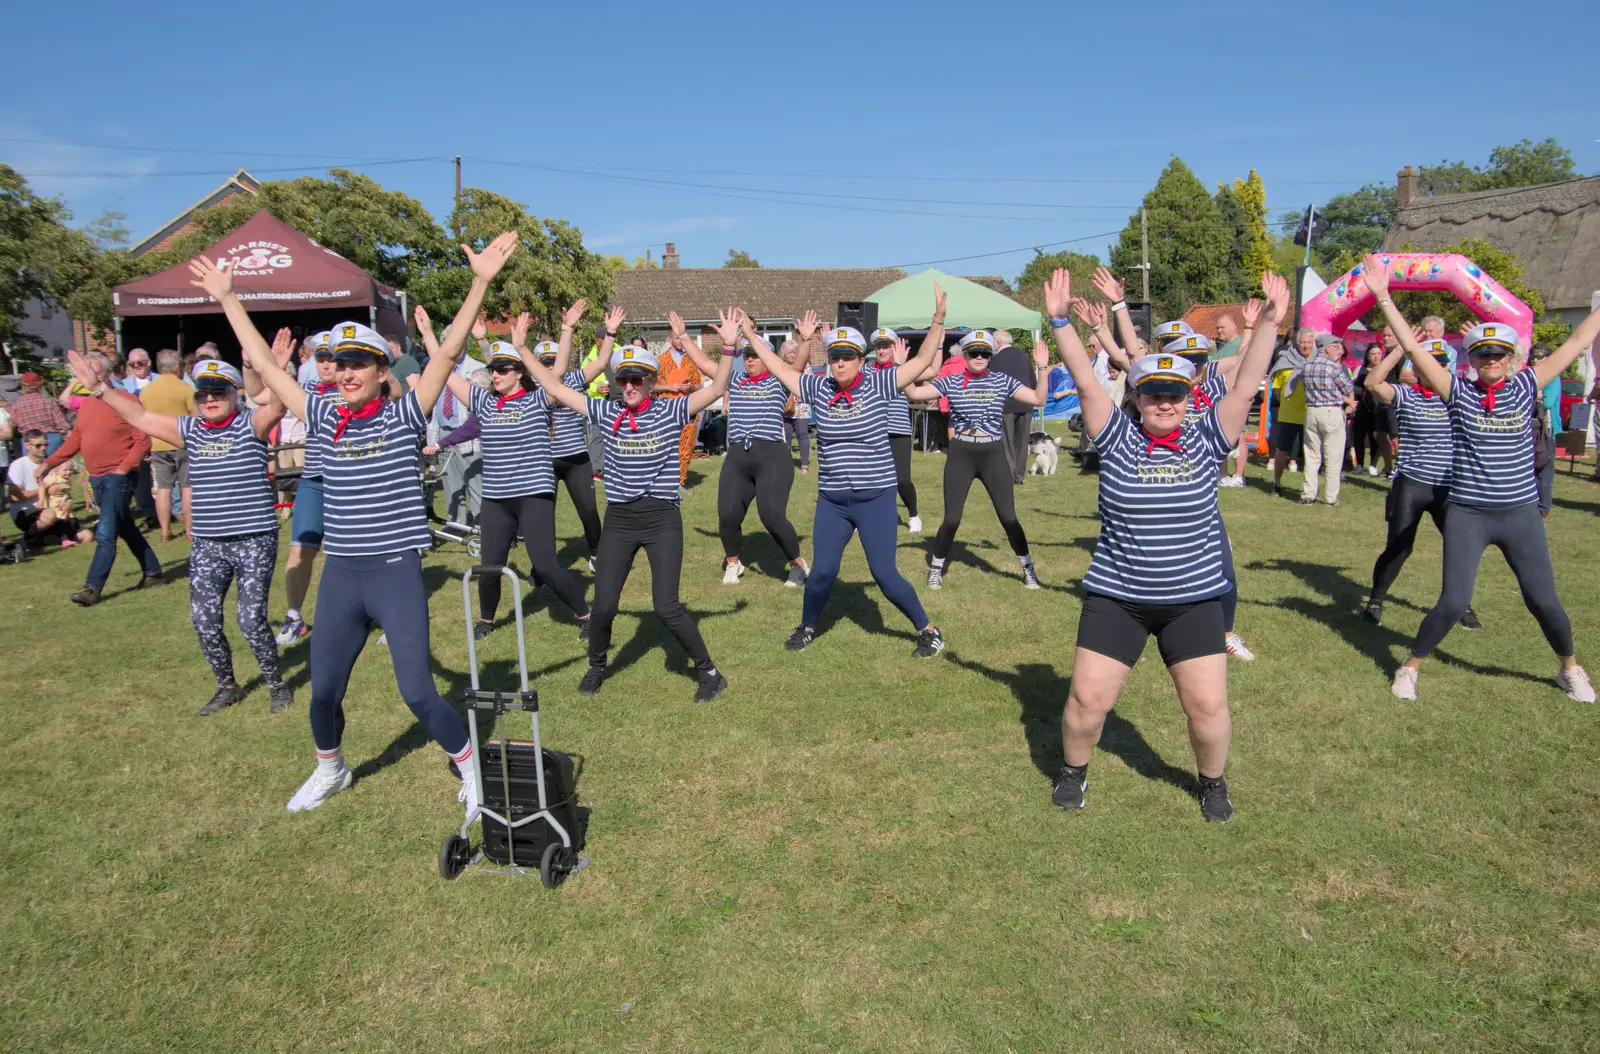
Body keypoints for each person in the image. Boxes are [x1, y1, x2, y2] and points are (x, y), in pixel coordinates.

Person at [198, 230, 522, 813]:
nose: (344, 373)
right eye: (337, 363)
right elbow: (273, 380)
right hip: (343, 573)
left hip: (394, 569)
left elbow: (446, 354)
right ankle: (332, 769)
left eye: (357, 364)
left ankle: (471, 769)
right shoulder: (322, 414)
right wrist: (228, 300)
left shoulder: (404, 415)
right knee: (324, 691)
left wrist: (479, 284)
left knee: (418, 691)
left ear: (379, 370)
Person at [1043, 265, 1289, 823]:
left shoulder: (1207, 435)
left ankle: (1212, 782)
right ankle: (1073, 771)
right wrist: (1059, 321)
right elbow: (1084, 381)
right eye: (1153, 392)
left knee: (1206, 707)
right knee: (1086, 704)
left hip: (1193, 598)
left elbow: (1248, 382)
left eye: (1174, 393)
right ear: (1137, 395)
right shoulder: (1116, 434)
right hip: (1119, 597)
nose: (1164, 403)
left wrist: (1270, 322)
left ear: (1189, 395)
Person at [1365, 256, 1600, 703]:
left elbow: (1576, 340)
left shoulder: (1527, 384)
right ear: (1471, 359)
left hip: (1519, 515)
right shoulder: (1458, 392)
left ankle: (1570, 669)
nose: (1491, 360)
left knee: (1543, 600)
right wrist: (1381, 296)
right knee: (1453, 601)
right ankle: (1410, 667)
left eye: (1498, 353)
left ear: (1511, 358)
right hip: (1469, 515)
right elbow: (1415, 352)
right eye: (1482, 353)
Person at [67, 348, 295, 715]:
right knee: (204, 620)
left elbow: (281, 407)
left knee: (251, 620)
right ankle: (227, 686)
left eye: (218, 392)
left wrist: (276, 370)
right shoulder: (190, 430)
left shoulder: (251, 423)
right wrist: (100, 389)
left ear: (235, 394)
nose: (209, 399)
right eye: (203, 393)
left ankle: (275, 684)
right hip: (207, 544)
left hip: (253, 540)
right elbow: (140, 416)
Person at [516, 329, 734, 704]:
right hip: (619, 520)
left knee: (665, 606)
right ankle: (598, 666)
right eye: (623, 379)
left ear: (650, 382)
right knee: (603, 607)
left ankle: (709, 672)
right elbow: (554, 385)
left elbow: (715, 390)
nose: (629, 386)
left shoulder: (670, 410)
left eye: (637, 379)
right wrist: (521, 348)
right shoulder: (605, 410)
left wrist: (729, 347)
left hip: (661, 518)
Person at [748, 299, 948, 658]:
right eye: (835, 356)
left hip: (876, 496)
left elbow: (920, 362)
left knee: (884, 573)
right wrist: (748, 333)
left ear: (861, 359)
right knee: (823, 571)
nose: (840, 363)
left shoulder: (879, 383)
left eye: (848, 356)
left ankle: (928, 630)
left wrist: (937, 321)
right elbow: (778, 367)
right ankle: (808, 626)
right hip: (833, 500)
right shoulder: (818, 389)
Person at [415, 307, 592, 642]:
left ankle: (585, 614)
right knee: (489, 565)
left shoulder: (539, 400)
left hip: (533, 495)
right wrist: (427, 336)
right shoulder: (482, 402)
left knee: (546, 564)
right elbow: (446, 374)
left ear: (519, 372)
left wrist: (566, 328)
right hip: (497, 497)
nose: (495, 374)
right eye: (492, 369)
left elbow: (556, 376)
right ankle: (486, 619)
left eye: (502, 368)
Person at [668, 309, 808, 588]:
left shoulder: (779, 380)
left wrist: (804, 339)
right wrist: (684, 336)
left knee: (772, 516)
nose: (751, 360)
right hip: (738, 456)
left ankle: (797, 564)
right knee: (728, 514)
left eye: (756, 355)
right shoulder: (735, 379)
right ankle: (734, 562)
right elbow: (707, 362)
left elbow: (798, 366)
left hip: (772, 456)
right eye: (748, 356)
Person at [902, 328, 1050, 590]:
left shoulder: (1003, 380)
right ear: (966, 356)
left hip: (993, 453)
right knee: (952, 519)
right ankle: (936, 568)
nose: (979, 357)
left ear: (991, 356)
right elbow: (914, 394)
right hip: (962, 453)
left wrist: (1043, 368)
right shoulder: (952, 381)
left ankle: (1028, 569)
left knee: (1008, 517)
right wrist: (902, 367)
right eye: (974, 353)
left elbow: (1038, 399)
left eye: (984, 353)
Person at [1360, 336, 1480, 630]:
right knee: (1399, 547)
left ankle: (1461, 604)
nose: (1433, 370)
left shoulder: (1458, 396)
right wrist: (1400, 349)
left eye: (1439, 365)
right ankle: (1375, 598)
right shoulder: (1406, 394)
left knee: (1458, 547)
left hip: (1449, 487)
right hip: (1412, 484)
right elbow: (1373, 383)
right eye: (1427, 365)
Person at [37, 352, 165, 606]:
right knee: (125, 525)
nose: (87, 377)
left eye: (93, 371)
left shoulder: (125, 401)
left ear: (107, 374)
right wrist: (48, 463)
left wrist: (124, 467)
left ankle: (92, 588)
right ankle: (153, 572)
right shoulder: (87, 405)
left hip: (119, 477)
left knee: (105, 531)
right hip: (97, 477)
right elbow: (75, 439)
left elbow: (143, 440)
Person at [541, 303, 618, 568]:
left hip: (575, 458)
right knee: (541, 516)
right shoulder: (533, 389)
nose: (551, 367)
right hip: (543, 461)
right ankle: (543, 564)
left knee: (587, 510)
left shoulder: (573, 380)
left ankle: (597, 554)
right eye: (545, 364)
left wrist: (609, 334)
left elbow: (600, 362)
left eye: (554, 361)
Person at [273, 331, 334, 645]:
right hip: (314, 479)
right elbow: (261, 396)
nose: (326, 364)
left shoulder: (363, 387)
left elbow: (392, 390)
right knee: (299, 551)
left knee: (364, 553)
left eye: (331, 357)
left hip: (351, 481)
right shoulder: (307, 391)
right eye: (320, 358)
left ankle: (385, 616)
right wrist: (264, 367)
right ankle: (294, 617)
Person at [869, 326, 923, 531]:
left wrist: (938, 346)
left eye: (886, 347)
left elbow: (930, 373)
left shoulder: (902, 368)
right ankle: (866, 516)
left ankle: (914, 515)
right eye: (878, 347)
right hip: (873, 430)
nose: (882, 351)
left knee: (902, 479)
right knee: (870, 478)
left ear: (894, 349)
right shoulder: (866, 369)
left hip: (898, 430)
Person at [140, 349, 196, 541]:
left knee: (163, 489)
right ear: (177, 366)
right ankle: (190, 530)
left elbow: (142, 419)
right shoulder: (186, 388)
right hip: (183, 443)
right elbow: (196, 416)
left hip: (157, 444)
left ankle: (165, 531)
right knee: (187, 487)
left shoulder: (147, 391)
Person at [1294, 333, 1355, 505]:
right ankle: (1330, 497)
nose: (1338, 350)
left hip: (1312, 411)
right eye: (1336, 346)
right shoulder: (1333, 367)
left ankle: (1308, 494)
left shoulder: (1306, 365)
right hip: (1331, 411)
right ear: (1328, 348)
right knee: (1333, 457)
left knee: (1312, 455)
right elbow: (1347, 386)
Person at [8, 430, 90, 546]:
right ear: (27, 446)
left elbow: (66, 493)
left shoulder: (50, 464)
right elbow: (13, 498)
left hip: (54, 510)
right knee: (50, 514)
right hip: (26, 512)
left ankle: (42, 541)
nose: (43, 448)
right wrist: (45, 490)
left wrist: (68, 503)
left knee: (86, 536)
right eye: (38, 445)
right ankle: (28, 538)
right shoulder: (18, 465)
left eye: (45, 444)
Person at [989, 330, 1036, 486]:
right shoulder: (1024, 356)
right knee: (1022, 443)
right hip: (1026, 402)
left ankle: (1008, 474)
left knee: (1007, 442)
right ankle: (1019, 476)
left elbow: (992, 383)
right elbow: (1032, 380)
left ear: (997, 343)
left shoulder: (995, 359)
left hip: (1006, 404)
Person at [658, 329, 703, 492]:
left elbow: (699, 386)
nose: (680, 341)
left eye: (682, 338)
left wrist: (690, 386)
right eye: (676, 338)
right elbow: (650, 386)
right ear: (670, 339)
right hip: (666, 409)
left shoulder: (690, 361)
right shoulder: (660, 361)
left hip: (686, 408)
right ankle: (664, 481)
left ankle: (680, 482)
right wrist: (670, 386)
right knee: (666, 447)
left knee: (686, 446)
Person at [1350, 342, 1397, 478]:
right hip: (1362, 407)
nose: (1376, 357)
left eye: (1378, 354)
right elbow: (1354, 387)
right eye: (1373, 354)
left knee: (1377, 436)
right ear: (1368, 356)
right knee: (1358, 435)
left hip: (1379, 407)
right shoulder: (1361, 369)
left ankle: (1373, 464)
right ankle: (1359, 464)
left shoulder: (1385, 370)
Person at [10, 372, 71, 457]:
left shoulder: (16, 406)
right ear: (40, 386)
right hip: (51, 439)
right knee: (54, 468)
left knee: (32, 468)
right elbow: (62, 425)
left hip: (30, 441)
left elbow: (12, 424)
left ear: (23, 387)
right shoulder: (49, 402)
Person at [782, 336, 814, 473]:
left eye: (795, 352)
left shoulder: (806, 366)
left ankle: (804, 464)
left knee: (802, 434)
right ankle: (786, 463)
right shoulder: (780, 365)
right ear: (784, 353)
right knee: (786, 435)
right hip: (784, 406)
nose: (793, 355)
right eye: (790, 352)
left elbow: (808, 383)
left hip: (801, 406)